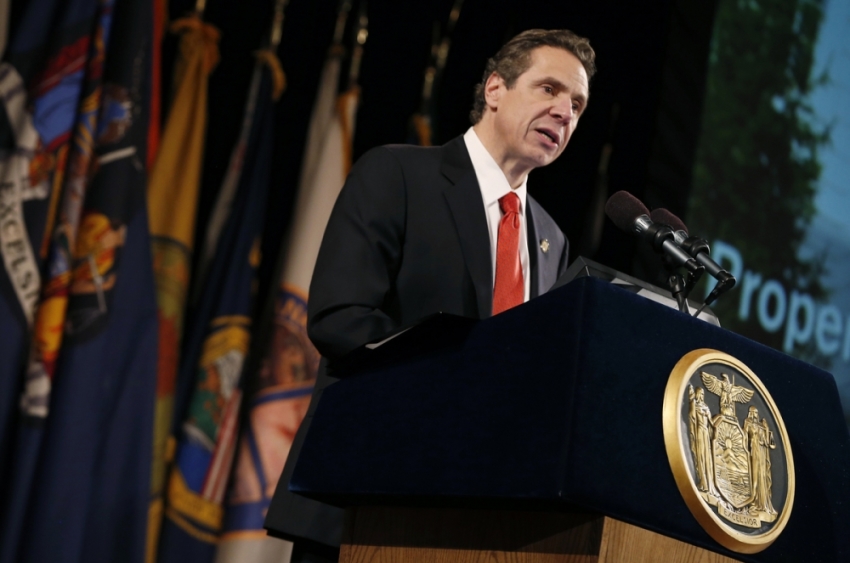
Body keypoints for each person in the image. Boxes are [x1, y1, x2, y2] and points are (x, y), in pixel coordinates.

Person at [265, 28, 596, 562]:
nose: (564, 112)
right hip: (364, 496)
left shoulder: (550, 239)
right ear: (495, 89)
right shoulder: (397, 174)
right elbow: (339, 319)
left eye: (577, 104)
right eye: (549, 89)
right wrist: (459, 383)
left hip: (473, 520)